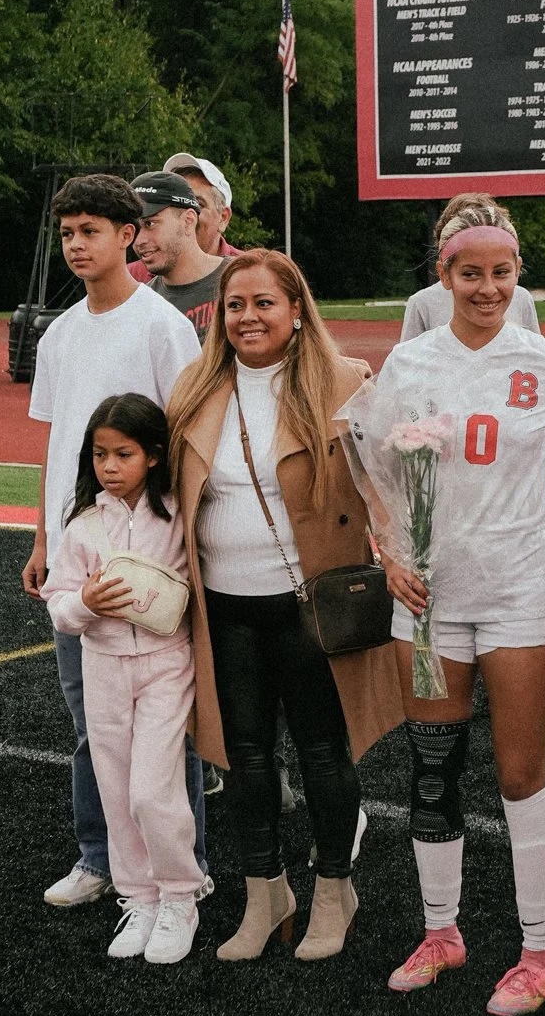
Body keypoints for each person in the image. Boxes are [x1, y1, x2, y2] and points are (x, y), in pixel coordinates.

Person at [371, 199, 545, 1015]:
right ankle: (442, 932)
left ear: (516, 278)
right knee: (433, 771)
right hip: (430, 601)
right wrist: (390, 550)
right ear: (445, 277)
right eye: (471, 273)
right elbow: (375, 465)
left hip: (518, 592)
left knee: (518, 772)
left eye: (501, 273)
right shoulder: (411, 362)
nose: (487, 287)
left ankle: (538, 951)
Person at [167, 251, 400, 962]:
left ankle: (334, 889)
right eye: (236, 305)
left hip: (308, 606)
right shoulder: (196, 387)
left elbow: (389, 485)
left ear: (296, 311)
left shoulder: (344, 383)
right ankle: (265, 893)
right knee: (244, 760)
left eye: (264, 303)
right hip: (224, 610)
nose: (248, 317)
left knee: (324, 755)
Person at [22, 175, 206, 910]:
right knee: (88, 716)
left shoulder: (161, 326)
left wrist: (183, 545)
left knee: (166, 726)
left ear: (129, 236)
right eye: (67, 233)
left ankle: (182, 866)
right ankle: (99, 856)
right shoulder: (60, 332)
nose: (76, 245)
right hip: (81, 550)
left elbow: (187, 438)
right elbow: (56, 443)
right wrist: (42, 536)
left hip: (152, 552)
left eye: (89, 231)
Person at [43, 395, 215, 964]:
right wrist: (87, 603)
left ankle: (181, 895)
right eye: (100, 454)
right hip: (103, 669)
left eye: (124, 453)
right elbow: (60, 605)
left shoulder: (180, 514)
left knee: (152, 789)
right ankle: (138, 898)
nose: (110, 466)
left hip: (168, 665)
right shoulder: (84, 526)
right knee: (116, 790)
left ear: (154, 455)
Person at [399, 192, 541, 341]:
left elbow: (535, 350)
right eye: (470, 274)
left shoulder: (521, 297)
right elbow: (409, 356)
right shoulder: (422, 301)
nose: (488, 290)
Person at [131, 170, 230, 339]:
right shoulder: (141, 305)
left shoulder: (240, 278)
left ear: (188, 221)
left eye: (150, 223)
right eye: (134, 229)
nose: (139, 240)